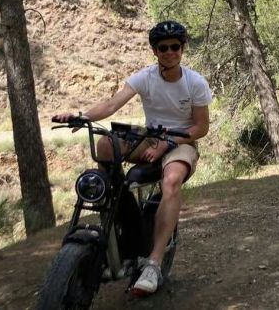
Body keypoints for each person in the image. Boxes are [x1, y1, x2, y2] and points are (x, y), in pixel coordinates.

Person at [52, 20, 212, 297]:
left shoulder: (194, 82)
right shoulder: (145, 77)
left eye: (175, 47)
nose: (170, 52)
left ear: (182, 49)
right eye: (164, 48)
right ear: (155, 50)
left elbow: (201, 127)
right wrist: (82, 115)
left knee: (172, 180)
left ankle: (153, 263)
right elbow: (112, 104)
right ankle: (120, 203)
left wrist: (167, 144)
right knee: (105, 145)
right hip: (148, 136)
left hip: (180, 140)